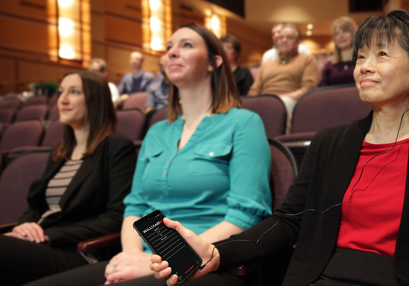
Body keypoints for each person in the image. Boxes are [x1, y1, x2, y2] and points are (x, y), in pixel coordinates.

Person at [151, 10, 409, 286]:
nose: (364, 67)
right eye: (360, 57)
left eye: (381, 54)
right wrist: (215, 252)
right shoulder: (330, 141)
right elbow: (287, 222)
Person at [26, 22, 272, 286]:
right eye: (168, 48)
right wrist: (131, 255)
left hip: (207, 263)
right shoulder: (157, 132)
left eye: (186, 45)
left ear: (214, 62)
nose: (172, 53)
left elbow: (246, 216)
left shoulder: (244, 123)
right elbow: (135, 206)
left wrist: (166, 257)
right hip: (148, 259)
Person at [0, 70, 137, 285]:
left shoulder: (116, 146)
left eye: (74, 92)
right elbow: (36, 206)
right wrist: (25, 226)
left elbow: (116, 217)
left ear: (96, 100)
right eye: (61, 91)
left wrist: (48, 235)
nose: (62, 99)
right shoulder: (61, 151)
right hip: (42, 244)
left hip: (80, 251)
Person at [249, 24, 319, 127]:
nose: (284, 40)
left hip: (290, 103)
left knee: (280, 105)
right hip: (265, 103)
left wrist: (279, 100)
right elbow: (254, 90)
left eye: (289, 37)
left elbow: (309, 88)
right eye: (281, 37)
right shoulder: (267, 64)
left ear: (298, 42)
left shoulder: (307, 60)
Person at [319, 17, 358, 86]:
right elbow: (323, 92)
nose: (341, 36)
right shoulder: (329, 66)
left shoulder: (363, 62)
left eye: (345, 31)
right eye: (337, 33)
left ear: (353, 34)